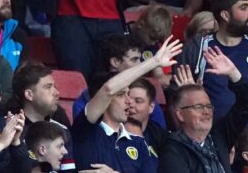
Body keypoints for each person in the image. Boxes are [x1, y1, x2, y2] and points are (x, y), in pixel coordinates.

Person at [71, 36, 181, 171]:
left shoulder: (138, 143)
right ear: (105, 101)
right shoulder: (85, 130)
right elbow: (108, 89)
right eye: (121, 95)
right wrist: (154, 61)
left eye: (128, 94)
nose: (129, 101)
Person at [159, 48, 248, 171]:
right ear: (180, 114)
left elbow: (246, 104)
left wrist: (233, 74)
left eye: (209, 106)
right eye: (198, 107)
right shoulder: (172, 151)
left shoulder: (220, 135)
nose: (207, 112)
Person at [177, 0, 248, 126]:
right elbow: (176, 99)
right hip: (212, 138)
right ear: (225, 15)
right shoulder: (197, 47)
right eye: (244, 7)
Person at [124, 78, 167, 160]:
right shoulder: (112, 132)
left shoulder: (158, 135)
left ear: (151, 107)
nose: (131, 105)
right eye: (128, 100)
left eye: (138, 101)